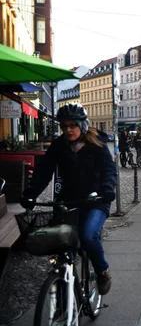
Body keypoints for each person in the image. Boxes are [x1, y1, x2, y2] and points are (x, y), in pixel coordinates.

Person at [20, 103, 116, 295]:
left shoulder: (96, 145)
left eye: (72, 125)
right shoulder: (59, 146)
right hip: (69, 201)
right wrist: (31, 193)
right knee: (62, 244)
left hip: (95, 200)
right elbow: (44, 171)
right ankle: (66, 291)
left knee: (88, 236)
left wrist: (106, 188)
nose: (68, 130)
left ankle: (102, 271)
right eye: (64, 126)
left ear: (82, 124)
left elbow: (108, 170)